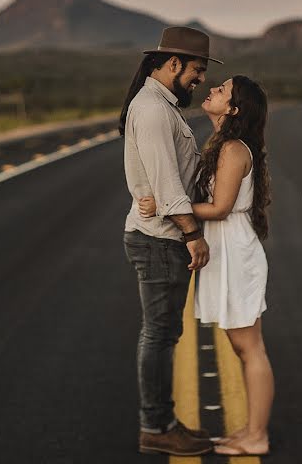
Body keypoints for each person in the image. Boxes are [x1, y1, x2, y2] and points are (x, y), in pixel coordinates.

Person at [139, 75, 274, 457]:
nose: (212, 89)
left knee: (250, 348)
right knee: (241, 346)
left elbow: (220, 208)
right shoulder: (223, 145)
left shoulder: (233, 149)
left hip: (236, 251)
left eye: (222, 90)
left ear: (233, 109)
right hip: (227, 248)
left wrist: (167, 207)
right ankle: (249, 429)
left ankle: (257, 434)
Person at [120, 26, 224, 457]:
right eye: (197, 69)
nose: (200, 79)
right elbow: (165, 182)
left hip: (158, 233)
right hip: (161, 239)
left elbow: (159, 180)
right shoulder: (153, 111)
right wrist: (192, 234)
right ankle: (156, 426)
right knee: (160, 336)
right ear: (174, 63)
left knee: (162, 334)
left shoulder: (159, 106)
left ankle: (162, 421)